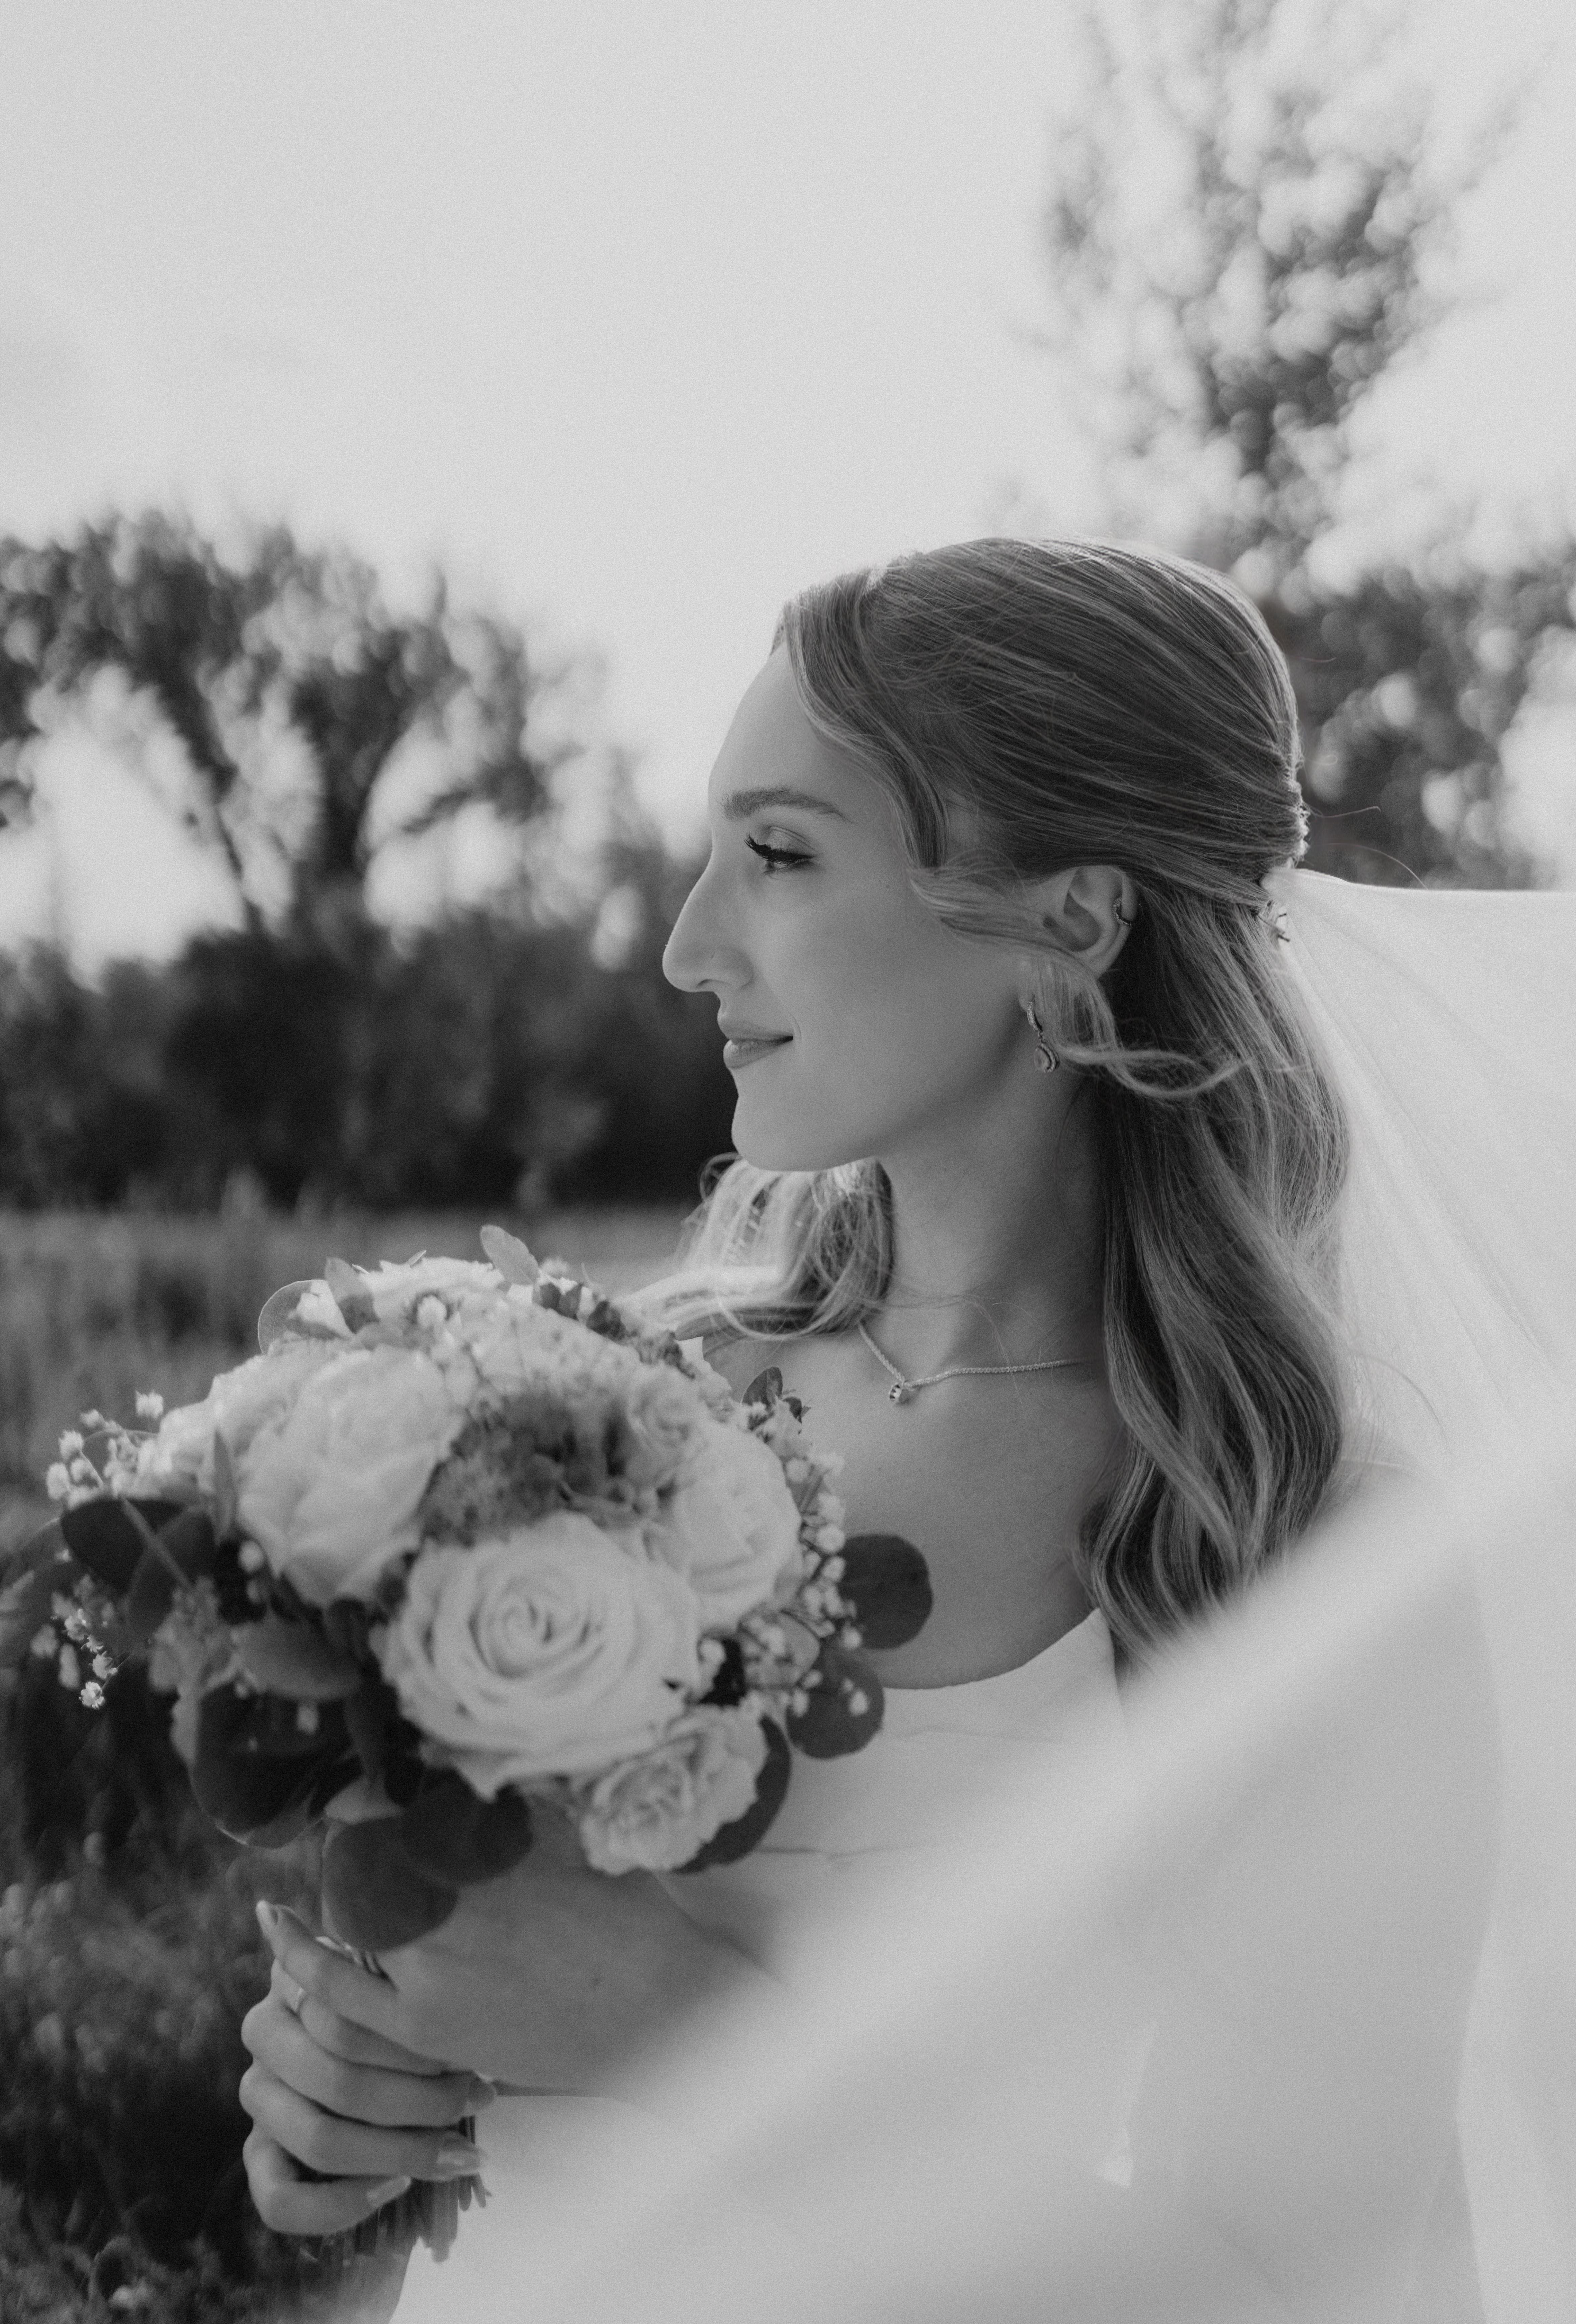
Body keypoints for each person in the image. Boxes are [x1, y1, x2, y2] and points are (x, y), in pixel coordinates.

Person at [236, 538, 1564, 2317]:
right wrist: (348, 2097)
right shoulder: (597, 1408)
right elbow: (467, 2002)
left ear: (1072, 920)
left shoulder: (1309, 1554)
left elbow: (1282, 2284)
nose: (686, 942)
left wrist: (676, 2022)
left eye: (779, 854)